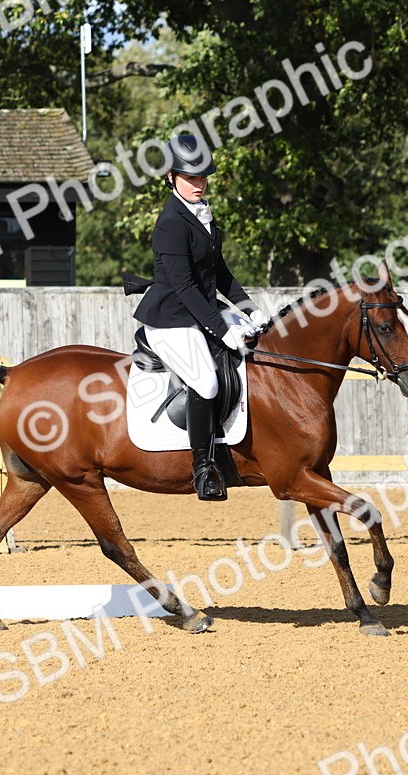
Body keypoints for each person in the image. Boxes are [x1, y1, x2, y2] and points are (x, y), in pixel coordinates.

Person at [129, 135, 270, 501]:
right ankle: (203, 468)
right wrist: (223, 328)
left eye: (203, 178)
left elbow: (218, 272)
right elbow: (186, 286)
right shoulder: (170, 223)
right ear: (171, 178)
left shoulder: (202, 214)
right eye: (191, 179)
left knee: (259, 344)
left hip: (201, 310)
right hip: (171, 319)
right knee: (206, 383)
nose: (199, 184)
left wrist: (248, 307)